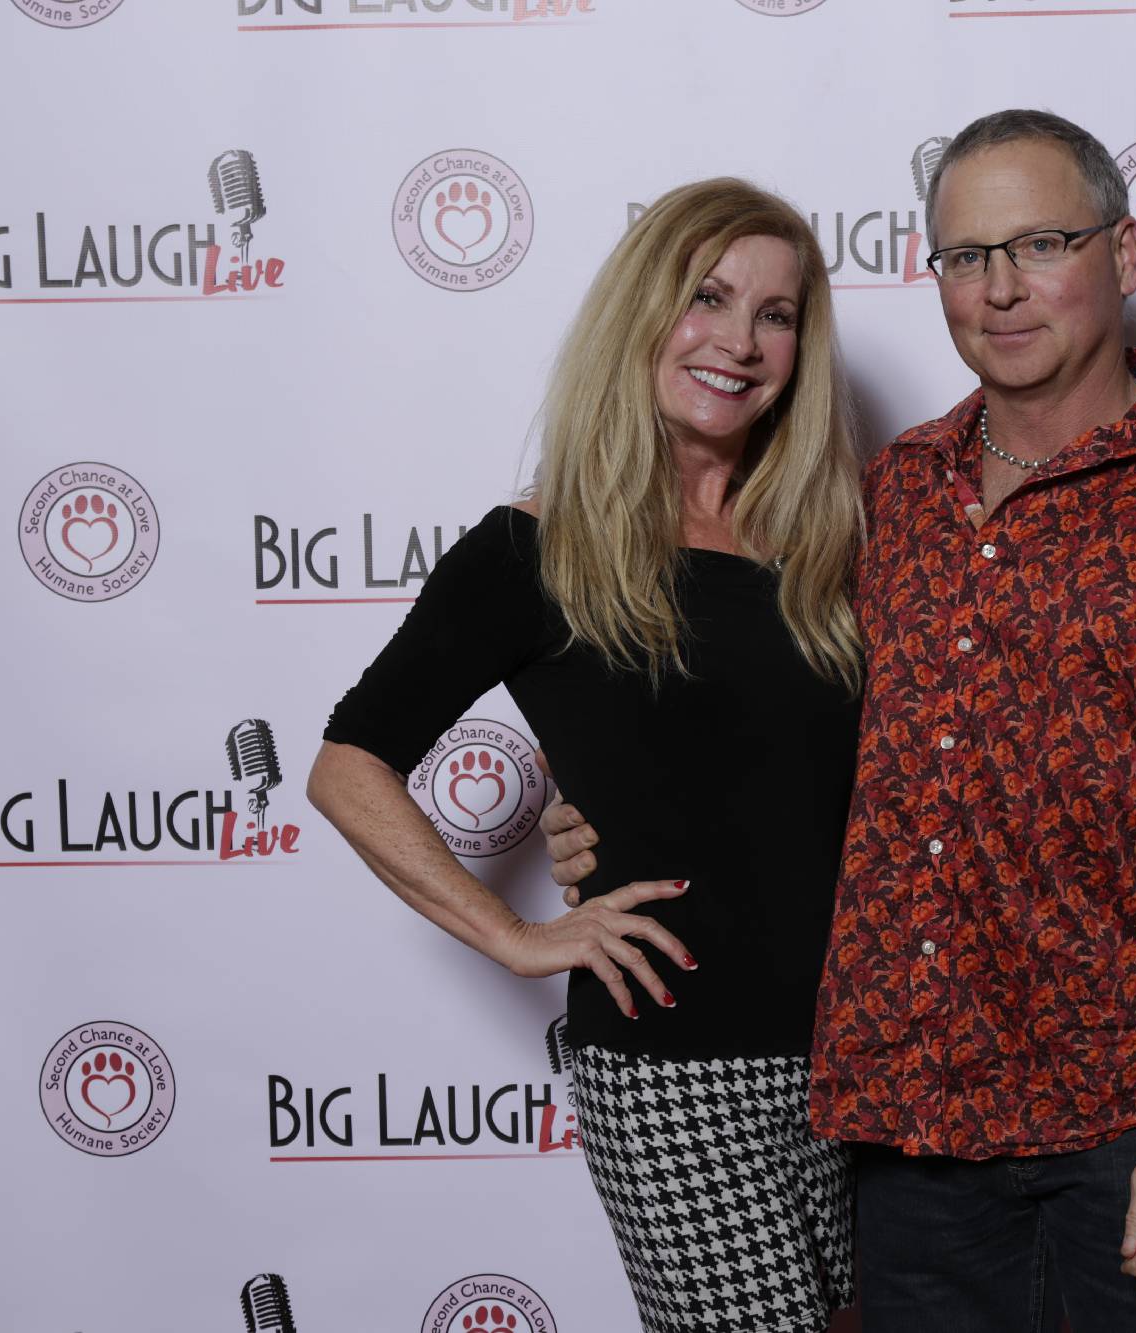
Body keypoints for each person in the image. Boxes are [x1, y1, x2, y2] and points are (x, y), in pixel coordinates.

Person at [543, 110, 1136, 1331]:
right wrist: (609, 805)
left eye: (1039, 244)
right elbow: (773, 725)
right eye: (964, 255)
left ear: (1123, 255)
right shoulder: (887, 497)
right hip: (911, 1147)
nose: (999, 288)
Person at [308, 177, 865, 1333]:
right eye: (706, 296)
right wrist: (514, 935)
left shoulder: (823, 549)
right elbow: (348, 763)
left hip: (863, 1059)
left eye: (775, 314)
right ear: (641, 312)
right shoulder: (538, 549)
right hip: (674, 1069)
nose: (739, 340)